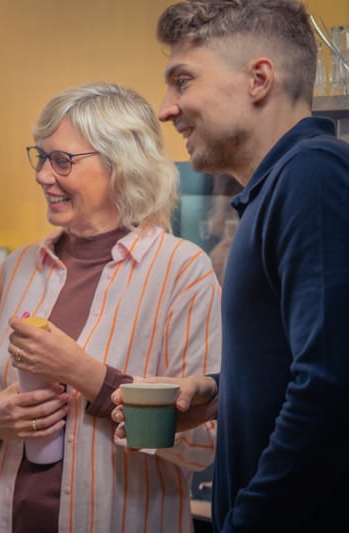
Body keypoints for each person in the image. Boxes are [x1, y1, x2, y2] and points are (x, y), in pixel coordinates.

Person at [111, 1, 349, 531]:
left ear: (258, 79)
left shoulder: (311, 177)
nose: (167, 108)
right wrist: (219, 392)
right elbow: (303, 363)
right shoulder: (275, 192)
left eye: (183, 80)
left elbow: (330, 389)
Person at [0, 83, 222, 533]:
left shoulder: (182, 271)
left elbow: (204, 444)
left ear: (122, 166)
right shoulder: (16, 270)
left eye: (62, 160)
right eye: (41, 157)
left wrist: (87, 374)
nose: (43, 176)